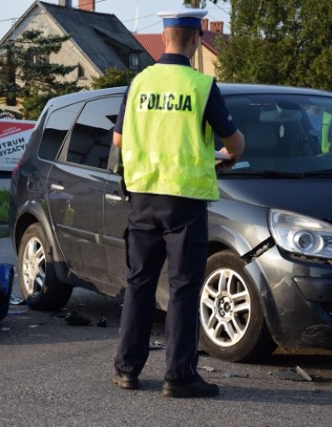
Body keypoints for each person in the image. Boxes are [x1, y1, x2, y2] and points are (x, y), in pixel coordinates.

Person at [111, 7, 245, 399]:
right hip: (184, 203)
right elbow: (235, 142)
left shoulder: (139, 83)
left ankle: (126, 369)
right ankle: (178, 376)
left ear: (165, 36)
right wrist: (227, 155)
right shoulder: (200, 85)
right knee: (183, 288)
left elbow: (119, 141)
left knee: (139, 284)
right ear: (196, 38)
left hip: (141, 197)